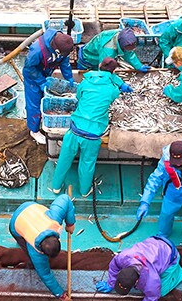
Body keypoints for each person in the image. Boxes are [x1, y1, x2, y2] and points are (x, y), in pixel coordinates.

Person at [51, 57, 131, 197]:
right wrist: (121, 84)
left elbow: (79, 97)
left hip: (75, 129)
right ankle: (84, 191)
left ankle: (56, 187)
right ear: (113, 72)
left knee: (64, 158)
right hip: (92, 135)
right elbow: (114, 95)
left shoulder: (85, 82)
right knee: (87, 163)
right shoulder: (112, 90)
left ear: (99, 65)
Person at [95, 236, 182, 301]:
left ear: (137, 281)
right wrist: (110, 283)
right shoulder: (122, 257)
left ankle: (176, 271)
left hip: (169, 252)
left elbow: (152, 298)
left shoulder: (152, 281)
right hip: (154, 242)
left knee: (161, 292)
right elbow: (114, 266)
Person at [9, 194, 76, 301]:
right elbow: (45, 275)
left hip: (28, 207)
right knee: (33, 261)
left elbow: (66, 199)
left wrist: (70, 223)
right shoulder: (35, 252)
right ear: (42, 252)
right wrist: (61, 295)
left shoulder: (54, 218)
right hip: (16, 222)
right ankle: (31, 264)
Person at [22, 28, 75, 145]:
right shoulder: (36, 51)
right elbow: (29, 68)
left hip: (46, 72)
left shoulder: (63, 45)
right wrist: (40, 82)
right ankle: (34, 130)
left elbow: (64, 62)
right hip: (32, 77)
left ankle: (36, 117)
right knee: (34, 104)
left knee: (43, 99)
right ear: (56, 49)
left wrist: (69, 77)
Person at [77, 27, 150, 72]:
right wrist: (120, 84)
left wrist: (138, 66)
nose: (132, 48)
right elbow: (103, 71)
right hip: (88, 59)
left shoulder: (123, 35)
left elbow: (128, 53)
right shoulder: (109, 51)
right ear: (122, 45)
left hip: (97, 49)